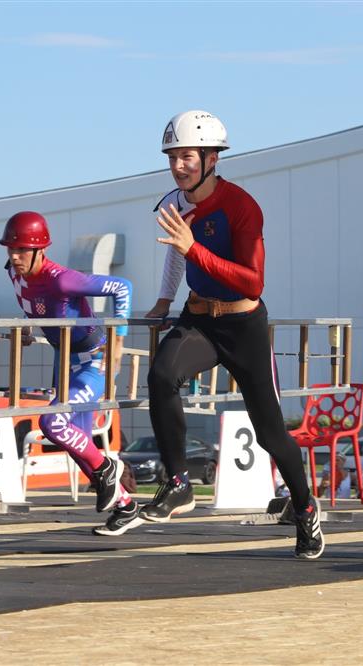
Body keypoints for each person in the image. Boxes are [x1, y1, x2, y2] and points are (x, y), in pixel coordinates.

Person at [139, 110, 325, 559]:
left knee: (270, 434)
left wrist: (193, 248)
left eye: (187, 156)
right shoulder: (173, 200)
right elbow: (175, 255)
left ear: (211, 158)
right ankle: (179, 483)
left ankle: (304, 508)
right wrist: (165, 300)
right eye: (172, 157)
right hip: (199, 318)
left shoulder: (242, 206)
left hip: (243, 324)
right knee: (162, 375)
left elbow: (251, 282)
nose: (178, 165)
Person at [0, 210, 136, 535]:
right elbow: (32, 304)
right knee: (77, 444)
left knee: (52, 422)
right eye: (11, 250)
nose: (15, 257)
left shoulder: (61, 278)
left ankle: (107, 468)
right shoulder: (14, 273)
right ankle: (126, 506)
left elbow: (122, 287)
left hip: (94, 362)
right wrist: (30, 330)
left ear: (40, 250)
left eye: (21, 251)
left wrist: (118, 342)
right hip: (65, 361)